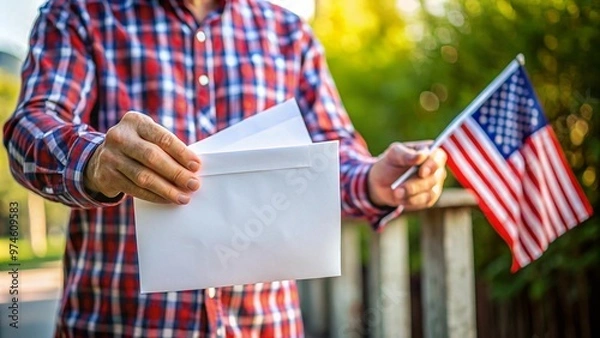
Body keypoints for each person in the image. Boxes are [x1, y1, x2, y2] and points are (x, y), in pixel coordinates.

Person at [3, 0, 447, 336]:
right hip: (118, 324)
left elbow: (333, 159)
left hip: (265, 325)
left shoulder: (288, 32)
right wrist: (95, 159)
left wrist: (374, 180)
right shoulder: (78, 13)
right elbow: (30, 127)